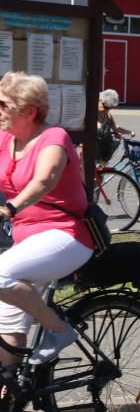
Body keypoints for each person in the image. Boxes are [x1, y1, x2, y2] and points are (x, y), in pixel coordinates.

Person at [0, 72, 96, 369]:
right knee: (8, 325)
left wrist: (9, 208)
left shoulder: (54, 138)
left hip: (66, 236)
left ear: (29, 112)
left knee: (0, 275)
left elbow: (44, 180)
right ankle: (10, 397)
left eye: (4, 105)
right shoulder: (6, 139)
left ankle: (59, 330)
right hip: (27, 240)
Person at [96, 89, 133, 163]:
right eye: (106, 107)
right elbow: (98, 127)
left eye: (110, 108)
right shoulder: (90, 110)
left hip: (101, 149)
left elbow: (115, 128)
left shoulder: (107, 114)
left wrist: (128, 132)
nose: (107, 110)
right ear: (99, 100)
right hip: (90, 147)